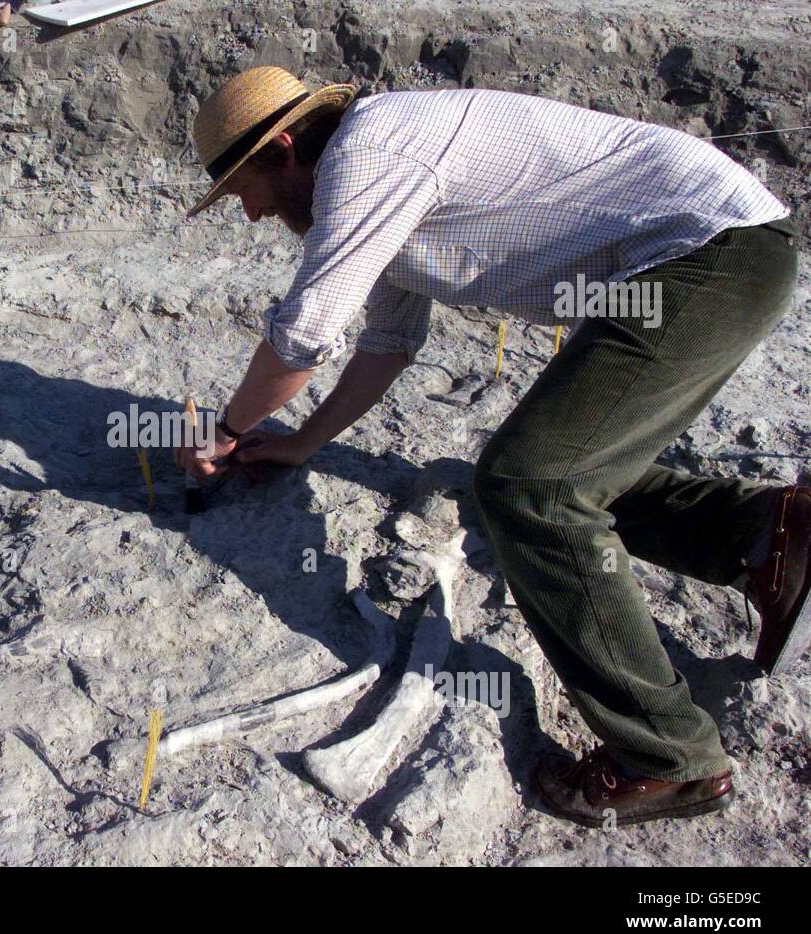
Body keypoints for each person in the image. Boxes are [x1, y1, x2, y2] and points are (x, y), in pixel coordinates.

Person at [177, 66, 806, 826]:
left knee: (532, 487)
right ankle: (773, 536)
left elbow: (305, 333)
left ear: (282, 149)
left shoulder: (368, 157)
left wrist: (227, 431)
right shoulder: (374, 175)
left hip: (709, 255)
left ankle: (666, 756)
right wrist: (304, 441)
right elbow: (388, 340)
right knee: (560, 468)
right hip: (707, 254)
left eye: (244, 189)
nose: (248, 214)